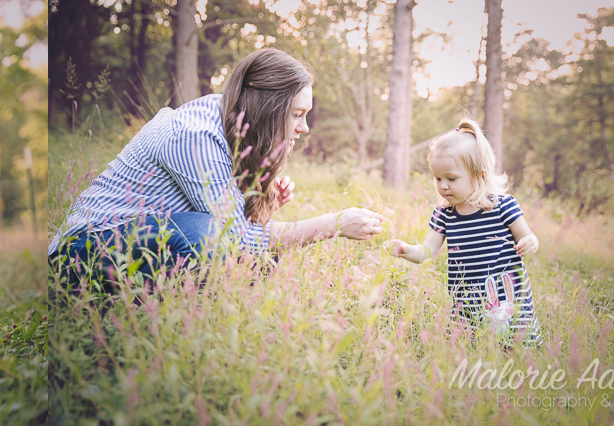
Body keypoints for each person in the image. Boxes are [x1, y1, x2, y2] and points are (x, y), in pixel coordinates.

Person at [50, 48, 386, 292]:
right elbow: (233, 237)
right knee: (206, 236)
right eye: (297, 114)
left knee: (261, 257)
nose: (305, 127)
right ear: (268, 107)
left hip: (133, 242)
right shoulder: (196, 136)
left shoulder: (230, 123)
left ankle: (199, 315)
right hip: (80, 253)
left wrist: (265, 206)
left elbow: (240, 229)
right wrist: (334, 223)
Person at [386, 119, 541, 347]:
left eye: (451, 178)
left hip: (505, 298)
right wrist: (406, 250)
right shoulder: (445, 214)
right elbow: (427, 251)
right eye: (438, 178)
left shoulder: (502, 206)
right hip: (465, 302)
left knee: (511, 345)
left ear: (479, 175)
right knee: (465, 348)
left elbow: (527, 236)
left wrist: (529, 242)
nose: (443, 186)